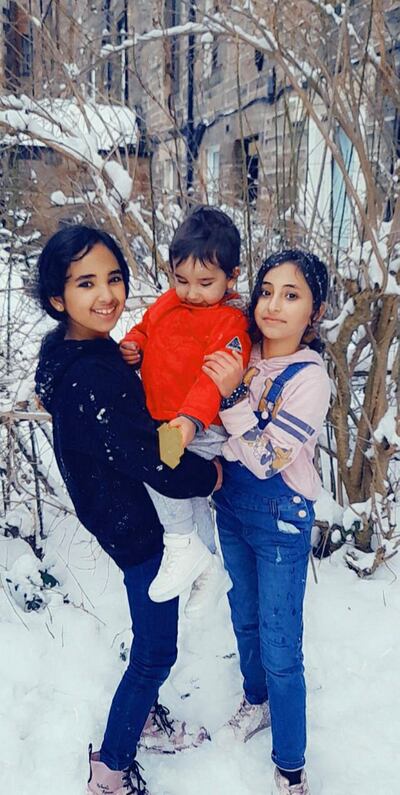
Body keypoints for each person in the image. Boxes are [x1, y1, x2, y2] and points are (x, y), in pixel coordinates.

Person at [35, 225, 222, 795]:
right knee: (155, 651)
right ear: (55, 298)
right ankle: (110, 768)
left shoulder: (76, 352)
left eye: (114, 278)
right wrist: (207, 475)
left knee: (153, 638)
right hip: (137, 528)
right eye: (86, 283)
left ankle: (147, 719)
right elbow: (148, 456)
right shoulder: (92, 374)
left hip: (116, 515)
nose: (107, 295)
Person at [203, 250, 331, 795]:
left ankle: (291, 765)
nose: (273, 305)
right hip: (232, 507)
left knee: (281, 646)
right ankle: (255, 702)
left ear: (314, 311)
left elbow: (265, 457)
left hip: (280, 517)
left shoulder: (309, 379)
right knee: (244, 616)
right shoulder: (242, 348)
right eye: (266, 291)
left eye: (292, 294)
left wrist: (233, 394)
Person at [120, 206, 252, 616]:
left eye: (205, 283)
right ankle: (209, 564)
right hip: (163, 416)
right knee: (187, 494)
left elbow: (213, 380)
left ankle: (181, 545)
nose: (191, 292)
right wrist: (135, 345)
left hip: (198, 422)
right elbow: (147, 327)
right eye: (181, 280)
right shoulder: (167, 304)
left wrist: (193, 420)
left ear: (232, 277)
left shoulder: (229, 322)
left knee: (163, 473)